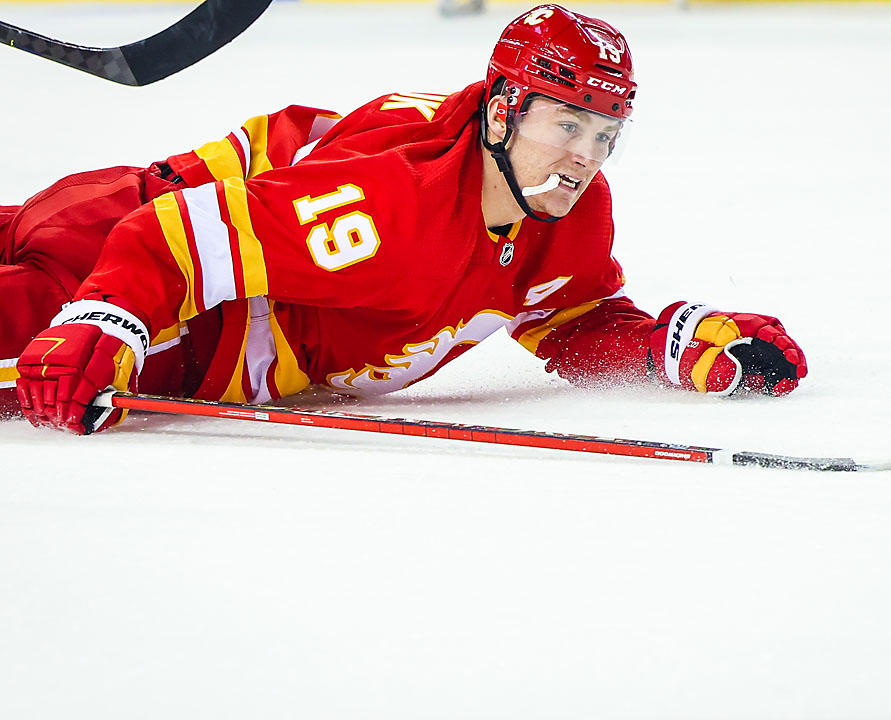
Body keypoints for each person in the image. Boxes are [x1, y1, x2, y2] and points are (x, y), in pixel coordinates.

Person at [2, 3, 807, 435]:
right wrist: (104, 320)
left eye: (605, 134)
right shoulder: (391, 213)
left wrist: (672, 347)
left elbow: (568, 312)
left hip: (119, 226)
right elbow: (175, 238)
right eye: (566, 125)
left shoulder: (568, 207)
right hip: (138, 291)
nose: (585, 157)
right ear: (501, 112)